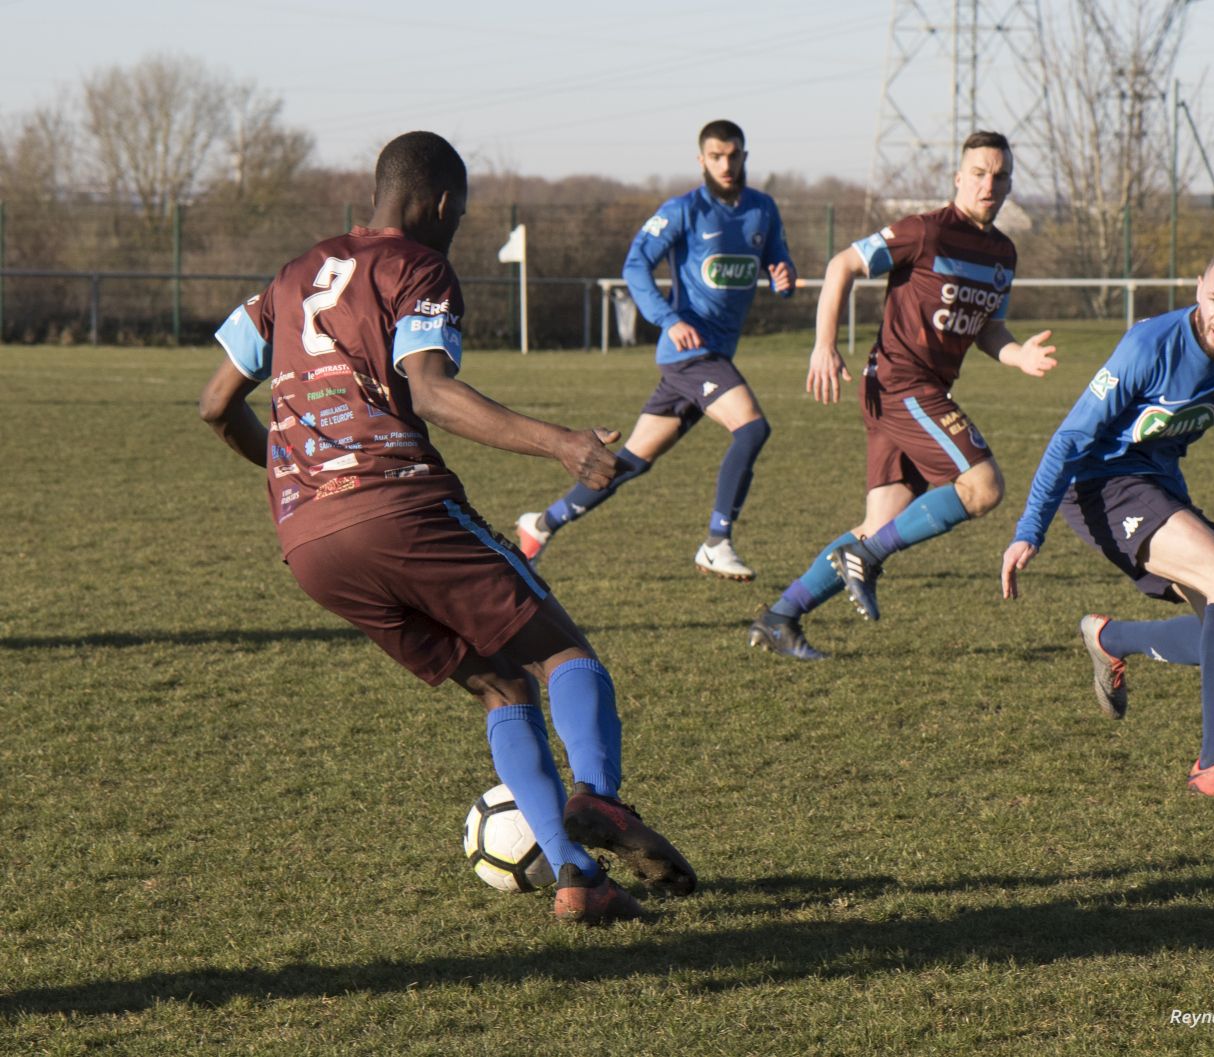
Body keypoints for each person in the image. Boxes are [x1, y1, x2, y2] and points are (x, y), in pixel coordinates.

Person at [197, 131, 696, 925]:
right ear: (439, 203)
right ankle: (598, 798)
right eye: (457, 217)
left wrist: (301, 476)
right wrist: (562, 443)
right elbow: (429, 392)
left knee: (500, 684)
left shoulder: (290, 276)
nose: (455, 231)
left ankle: (578, 879)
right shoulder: (416, 266)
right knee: (563, 652)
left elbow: (216, 402)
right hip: (398, 506)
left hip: (310, 543)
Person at [1000, 244, 1214, 801]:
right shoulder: (1149, 344)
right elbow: (1072, 438)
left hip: (1158, 484)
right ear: (1198, 286)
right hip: (1099, 485)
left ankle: (1110, 638)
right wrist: (1029, 529)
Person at [748, 130, 1056, 660]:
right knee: (983, 486)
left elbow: (989, 330)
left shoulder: (1004, 253)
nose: (989, 184)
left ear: (1009, 184)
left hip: (913, 389)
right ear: (958, 178)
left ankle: (780, 617)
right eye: (979, 173)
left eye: (1000, 175)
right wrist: (823, 345)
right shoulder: (925, 231)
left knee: (877, 527)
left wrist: (1018, 355)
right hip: (901, 383)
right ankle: (865, 561)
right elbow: (842, 264)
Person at [514, 119, 796, 581]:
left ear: (745, 156)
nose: (726, 164)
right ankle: (717, 542)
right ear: (701, 160)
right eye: (716, 156)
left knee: (627, 463)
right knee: (752, 428)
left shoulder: (762, 209)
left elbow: (778, 260)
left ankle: (540, 526)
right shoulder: (684, 209)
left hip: (714, 356)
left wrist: (783, 275)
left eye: (733, 155)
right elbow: (635, 264)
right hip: (690, 352)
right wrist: (670, 319)